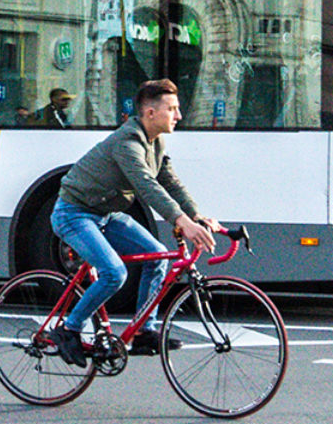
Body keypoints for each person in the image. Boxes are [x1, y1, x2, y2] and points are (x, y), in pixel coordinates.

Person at [48, 79, 220, 367]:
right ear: (151, 113)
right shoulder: (127, 143)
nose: (178, 116)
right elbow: (146, 185)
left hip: (107, 214)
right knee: (114, 272)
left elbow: (169, 182)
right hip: (74, 213)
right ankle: (68, 329)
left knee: (157, 258)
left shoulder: (156, 142)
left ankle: (143, 331)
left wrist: (195, 216)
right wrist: (181, 221)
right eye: (172, 109)